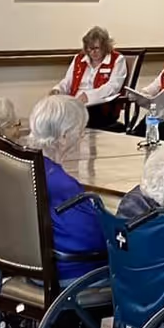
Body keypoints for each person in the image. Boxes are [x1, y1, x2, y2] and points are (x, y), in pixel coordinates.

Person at [20, 94, 110, 277]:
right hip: (70, 273)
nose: (83, 135)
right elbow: (92, 239)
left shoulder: (21, 167)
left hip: (24, 267)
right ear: (63, 136)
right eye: (80, 130)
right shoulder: (63, 185)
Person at [54, 25, 130, 130]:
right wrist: (57, 90)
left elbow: (112, 87)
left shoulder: (117, 60)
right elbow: (67, 82)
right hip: (75, 104)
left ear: (105, 47)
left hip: (101, 107)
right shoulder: (79, 59)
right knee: (54, 110)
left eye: (96, 48)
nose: (93, 52)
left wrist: (89, 96)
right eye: (90, 48)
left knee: (73, 117)